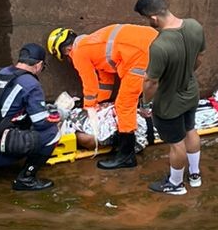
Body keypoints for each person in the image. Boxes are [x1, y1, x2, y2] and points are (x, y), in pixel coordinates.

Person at [53, 21, 155, 171]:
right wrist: (100, 102)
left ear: (67, 49)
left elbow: (90, 83)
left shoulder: (78, 52)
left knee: (124, 106)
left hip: (140, 56)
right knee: (125, 103)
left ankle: (127, 156)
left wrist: (88, 107)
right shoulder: (93, 45)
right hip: (153, 43)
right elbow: (106, 81)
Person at [0, 41, 64, 193]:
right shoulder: (31, 84)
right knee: (52, 132)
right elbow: (41, 123)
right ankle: (26, 179)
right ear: (38, 65)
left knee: (2, 119)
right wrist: (59, 114)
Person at [134, 0, 205, 196]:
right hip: (191, 93)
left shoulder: (160, 46)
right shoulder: (194, 26)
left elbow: (151, 81)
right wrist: (187, 73)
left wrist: (146, 103)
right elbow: (199, 57)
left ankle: (175, 184)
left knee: (176, 143)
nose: (148, 23)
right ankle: (194, 175)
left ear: (153, 18)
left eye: (147, 19)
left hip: (169, 103)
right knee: (190, 130)